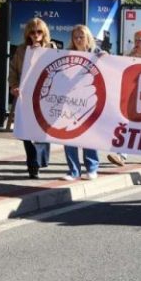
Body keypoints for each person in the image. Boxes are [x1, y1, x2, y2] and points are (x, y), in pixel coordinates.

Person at [9, 18, 56, 179]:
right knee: (26, 131)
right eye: (32, 32)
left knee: (42, 131)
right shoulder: (22, 50)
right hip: (25, 96)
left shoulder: (51, 48)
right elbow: (13, 70)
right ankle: (33, 164)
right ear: (27, 33)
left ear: (44, 33)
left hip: (45, 96)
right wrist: (14, 86)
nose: (35, 35)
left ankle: (39, 160)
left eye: (39, 32)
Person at [108, 29, 141, 167]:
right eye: (135, 39)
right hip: (133, 96)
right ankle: (121, 155)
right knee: (127, 124)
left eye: (140, 40)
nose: (136, 43)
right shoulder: (130, 55)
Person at [62, 25, 102, 181]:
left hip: (91, 100)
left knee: (89, 135)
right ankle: (73, 170)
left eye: (81, 37)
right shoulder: (66, 54)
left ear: (88, 38)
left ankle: (92, 168)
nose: (78, 40)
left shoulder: (97, 54)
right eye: (76, 37)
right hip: (70, 101)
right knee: (68, 135)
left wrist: (105, 58)